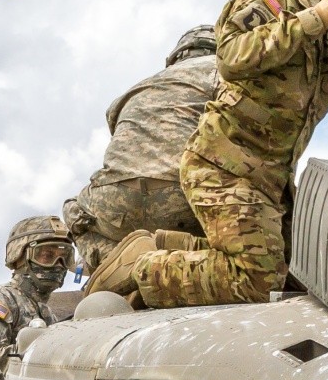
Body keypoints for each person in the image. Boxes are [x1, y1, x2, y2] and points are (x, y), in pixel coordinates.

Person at [85, 0, 328, 308]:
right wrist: (313, 20)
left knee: (302, 279)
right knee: (256, 281)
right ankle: (142, 265)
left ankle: (167, 244)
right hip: (225, 167)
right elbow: (233, 57)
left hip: (273, 178)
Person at [62, 26, 220, 274]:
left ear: (175, 57)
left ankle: (116, 264)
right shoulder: (224, 74)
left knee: (74, 208)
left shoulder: (137, 88)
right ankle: (189, 259)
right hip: (187, 197)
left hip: (115, 201)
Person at [0, 216, 74, 368]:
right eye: (47, 256)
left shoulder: (46, 312)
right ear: (20, 257)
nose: (59, 265)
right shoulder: (1, 299)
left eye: (64, 257)